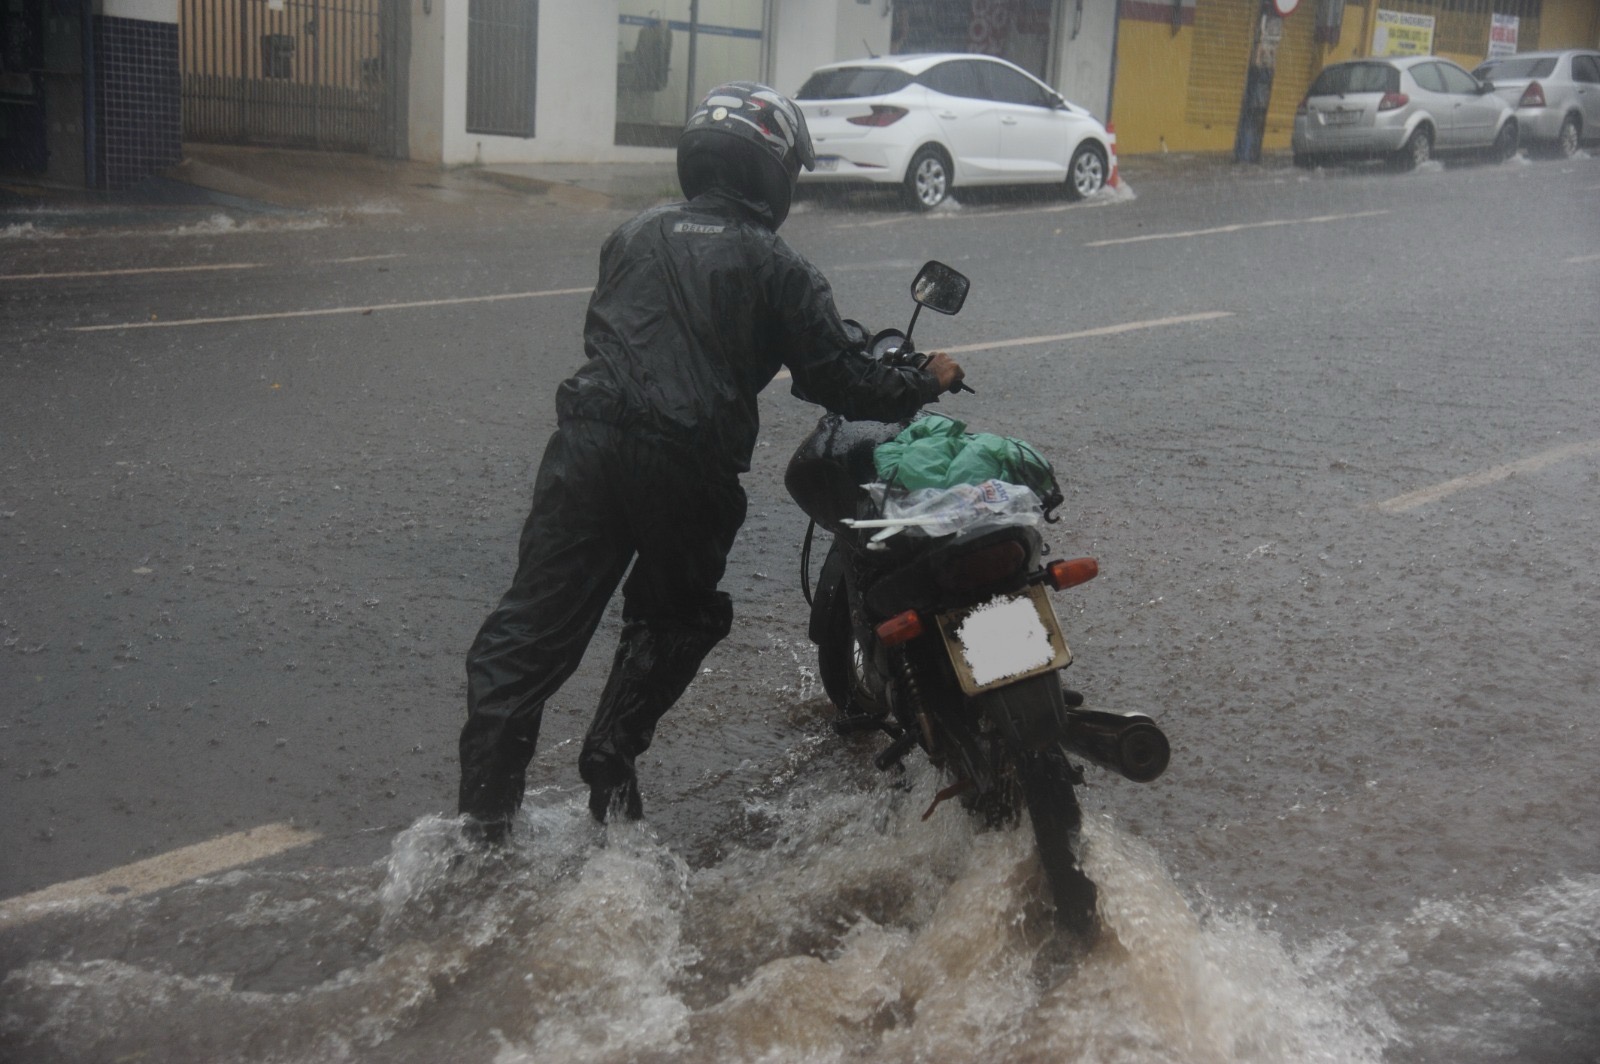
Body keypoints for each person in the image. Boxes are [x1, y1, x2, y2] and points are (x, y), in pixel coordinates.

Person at [457, 82, 964, 843]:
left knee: (527, 635)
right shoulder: (777, 264)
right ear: (775, 171)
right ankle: (611, 753)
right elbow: (839, 379)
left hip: (586, 448)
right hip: (687, 466)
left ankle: (482, 824)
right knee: (676, 616)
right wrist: (924, 380)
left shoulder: (631, 235)